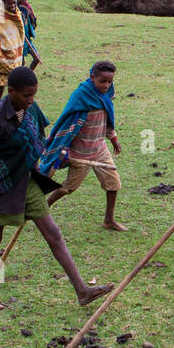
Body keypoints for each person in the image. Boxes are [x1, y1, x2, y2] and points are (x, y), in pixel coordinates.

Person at [0, 66, 112, 312]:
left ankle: (82, 291)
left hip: (28, 180)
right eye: (26, 95)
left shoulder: (31, 109)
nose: (31, 100)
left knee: (53, 232)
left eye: (34, 94)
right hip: (2, 186)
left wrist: (57, 156)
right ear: (11, 91)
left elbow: (41, 138)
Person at [40, 61, 126, 231]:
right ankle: (42, 211)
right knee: (67, 189)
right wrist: (63, 148)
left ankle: (109, 220)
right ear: (92, 77)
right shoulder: (81, 97)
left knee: (113, 184)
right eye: (103, 81)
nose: (106, 85)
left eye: (110, 81)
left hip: (100, 149)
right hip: (80, 154)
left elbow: (107, 121)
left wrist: (113, 139)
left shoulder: (105, 97)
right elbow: (67, 124)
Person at [15, 0, 40, 69]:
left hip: (27, 38)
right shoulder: (12, 8)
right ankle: (20, 79)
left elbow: (33, 21)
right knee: (21, 62)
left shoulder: (27, 7)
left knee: (37, 58)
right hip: (17, 40)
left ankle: (28, 74)